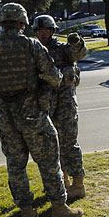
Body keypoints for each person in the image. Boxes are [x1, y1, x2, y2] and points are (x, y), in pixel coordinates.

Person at [0, 3, 83, 217]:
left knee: (15, 165)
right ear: (22, 23)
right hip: (33, 115)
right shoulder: (32, 46)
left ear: (2, 23)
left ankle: (26, 212)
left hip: (6, 118)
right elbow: (55, 78)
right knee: (49, 162)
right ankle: (59, 209)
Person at [32, 15, 88, 199]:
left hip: (65, 104)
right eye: (40, 30)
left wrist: (77, 42)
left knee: (69, 143)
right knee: (51, 147)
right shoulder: (35, 51)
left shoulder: (63, 49)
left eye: (46, 30)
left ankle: (78, 184)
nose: (43, 33)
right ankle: (63, 182)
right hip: (46, 105)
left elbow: (78, 54)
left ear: (52, 31)